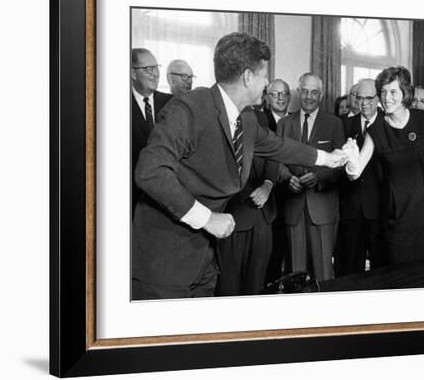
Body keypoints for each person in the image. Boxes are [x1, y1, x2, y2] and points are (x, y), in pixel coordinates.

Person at [132, 32, 346, 299]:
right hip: (164, 260)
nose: (267, 82)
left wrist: (328, 158)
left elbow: (279, 146)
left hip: (204, 260)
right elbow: (150, 172)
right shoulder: (188, 108)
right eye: (264, 75)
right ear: (247, 76)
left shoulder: (245, 118)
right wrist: (207, 218)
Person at [344, 66, 424, 265]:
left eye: (393, 92)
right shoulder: (376, 130)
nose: (386, 97)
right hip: (397, 217)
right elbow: (355, 173)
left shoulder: (422, 118)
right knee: (402, 276)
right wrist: (351, 159)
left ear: (405, 94)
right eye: (383, 92)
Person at [277, 73, 345, 281]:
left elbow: (341, 163)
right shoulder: (284, 124)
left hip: (322, 207)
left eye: (314, 92)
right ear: (298, 92)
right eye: (304, 91)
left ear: (321, 95)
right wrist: (287, 178)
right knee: (294, 273)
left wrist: (319, 177)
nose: (308, 96)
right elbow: (275, 160)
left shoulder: (334, 123)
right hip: (293, 206)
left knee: (323, 272)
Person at [216, 108, 279, 296]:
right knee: (231, 283)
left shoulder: (259, 116)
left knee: (257, 281)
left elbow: (273, 154)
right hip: (235, 215)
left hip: (264, 216)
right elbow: (221, 162)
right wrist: (252, 192)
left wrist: (267, 186)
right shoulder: (220, 114)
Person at [335, 79, 385, 275]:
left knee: (381, 267)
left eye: (369, 98)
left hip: (380, 208)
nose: (364, 103)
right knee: (348, 267)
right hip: (351, 208)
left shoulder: (389, 123)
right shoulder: (344, 124)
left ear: (379, 98)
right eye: (359, 97)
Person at [131, 48, 172, 217]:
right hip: (132, 197)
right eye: (149, 69)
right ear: (133, 73)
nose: (155, 74)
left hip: (167, 196)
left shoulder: (171, 102)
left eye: (156, 67)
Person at [263, 78, 291, 283]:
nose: (280, 98)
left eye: (284, 94)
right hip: (269, 196)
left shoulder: (296, 121)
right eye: (275, 94)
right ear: (266, 97)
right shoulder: (260, 121)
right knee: (271, 250)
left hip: (296, 196)